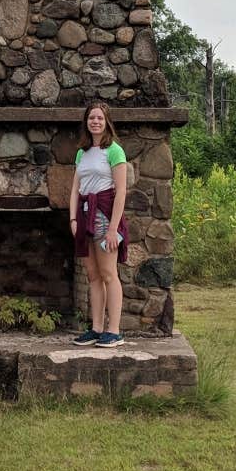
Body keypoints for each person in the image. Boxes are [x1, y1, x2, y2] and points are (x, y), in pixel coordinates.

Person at [69, 101, 129, 347]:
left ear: (107, 122)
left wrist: (114, 228)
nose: (95, 122)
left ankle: (113, 330)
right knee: (92, 275)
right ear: (86, 122)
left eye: (100, 118)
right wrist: (73, 219)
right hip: (84, 215)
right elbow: (75, 189)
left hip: (104, 216)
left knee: (108, 273)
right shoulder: (82, 153)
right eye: (91, 118)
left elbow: (122, 191)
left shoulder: (114, 151)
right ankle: (96, 328)